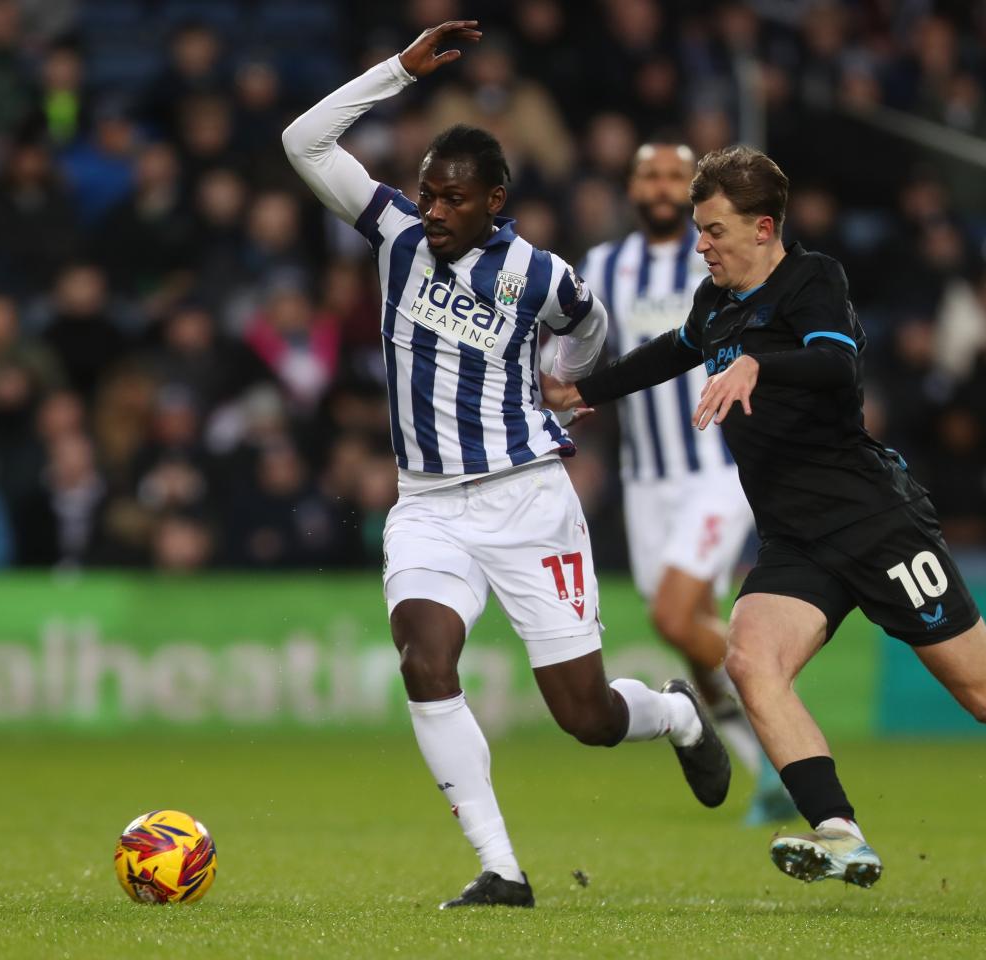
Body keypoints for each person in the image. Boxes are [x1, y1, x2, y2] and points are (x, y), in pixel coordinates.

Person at [543, 144, 986, 888]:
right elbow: (674, 351)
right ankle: (840, 831)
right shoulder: (714, 302)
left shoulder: (813, 280)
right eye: (699, 230)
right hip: (795, 538)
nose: (702, 246)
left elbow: (836, 362)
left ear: (763, 227)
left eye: (714, 230)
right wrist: (583, 391)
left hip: (874, 522)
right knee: (751, 661)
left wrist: (759, 364)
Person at [282, 21, 731, 909]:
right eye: (427, 194)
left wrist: (568, 386)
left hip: (528, 502)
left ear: (494, 199)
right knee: (424, 661)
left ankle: (677, 714)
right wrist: (398, 71)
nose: (434, 211)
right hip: (428, 506)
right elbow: (303, 141)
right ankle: (502, 869)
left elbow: (589, 326)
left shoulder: (540, 274)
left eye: (453, 199)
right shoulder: (394, 235)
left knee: (586, 716)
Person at [579, 141, 794, 824]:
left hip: (716, 470)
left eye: (676, 175)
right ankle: (766, 768)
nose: (663, 186)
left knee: (673, 616)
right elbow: (580, 346)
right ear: (633, 188)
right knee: (691, 630)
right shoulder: (603, 267)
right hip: (645, 481)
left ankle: (782, 720)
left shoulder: (719, 258)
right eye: (651, 175)